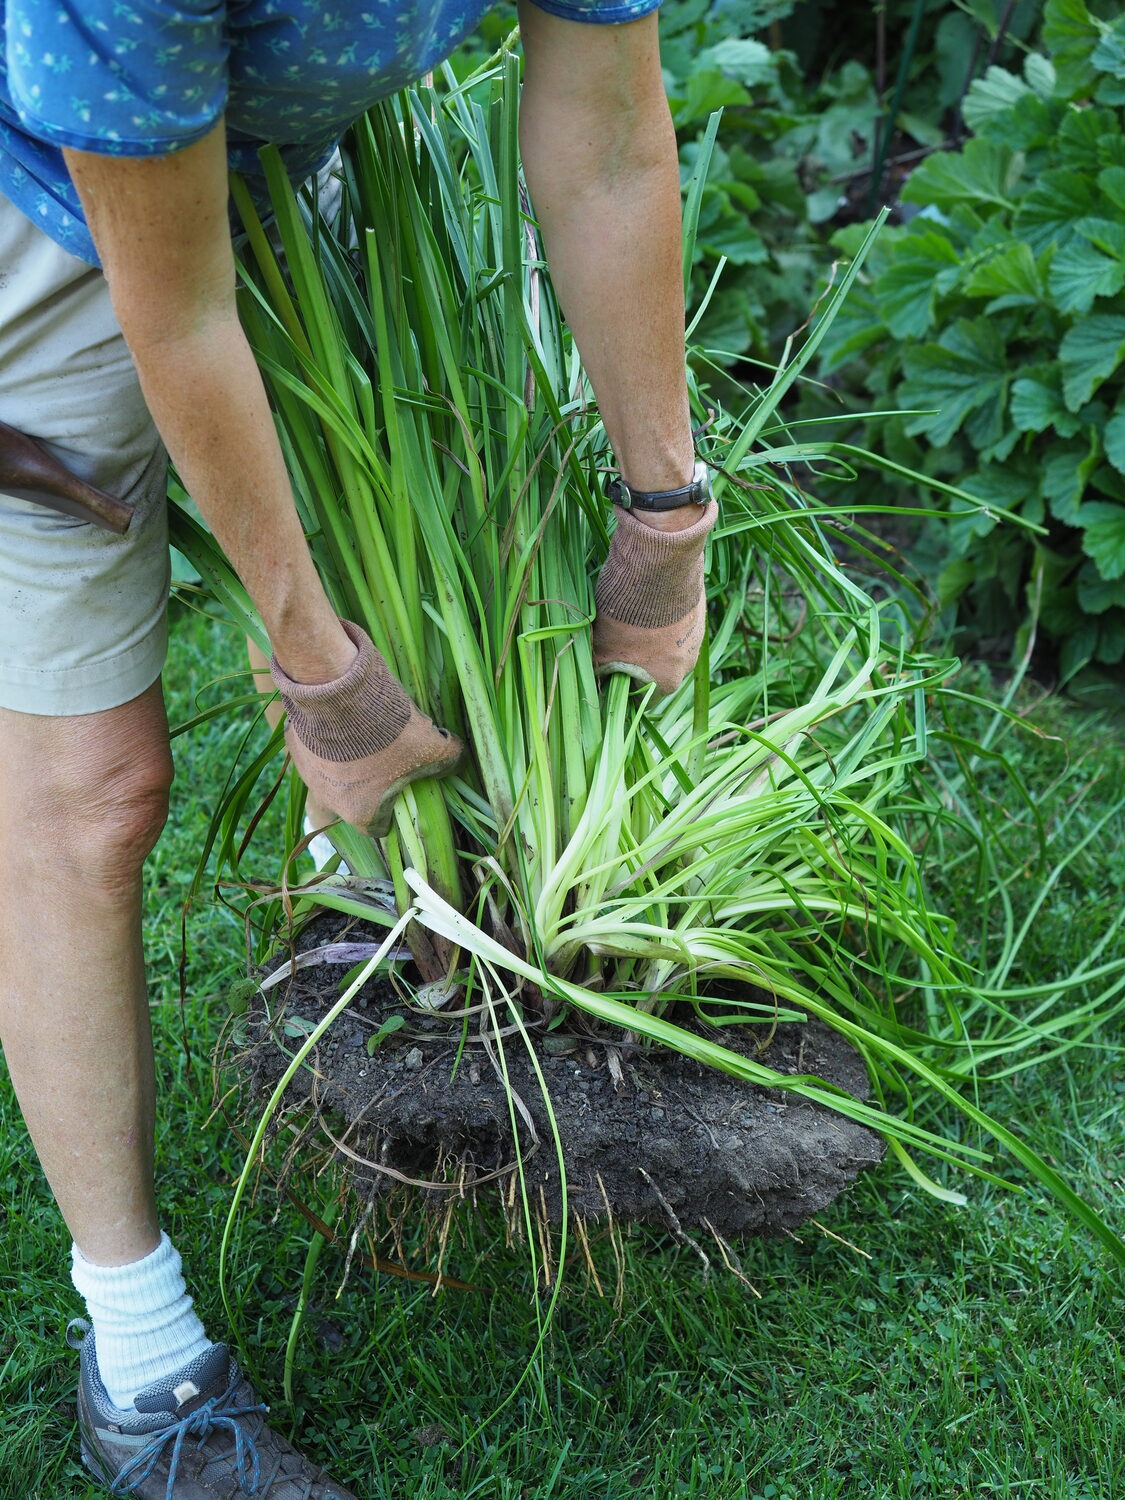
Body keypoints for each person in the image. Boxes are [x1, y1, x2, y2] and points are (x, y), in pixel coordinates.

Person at [0, 0, 718, 1494]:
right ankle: (140, 1362)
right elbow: (176, 312)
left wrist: (665, 518)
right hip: (31, 238)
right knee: (92, 797)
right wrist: (316, 672)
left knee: (414, 578)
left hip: (267, 180)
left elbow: (601, 139)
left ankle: (418, 967)